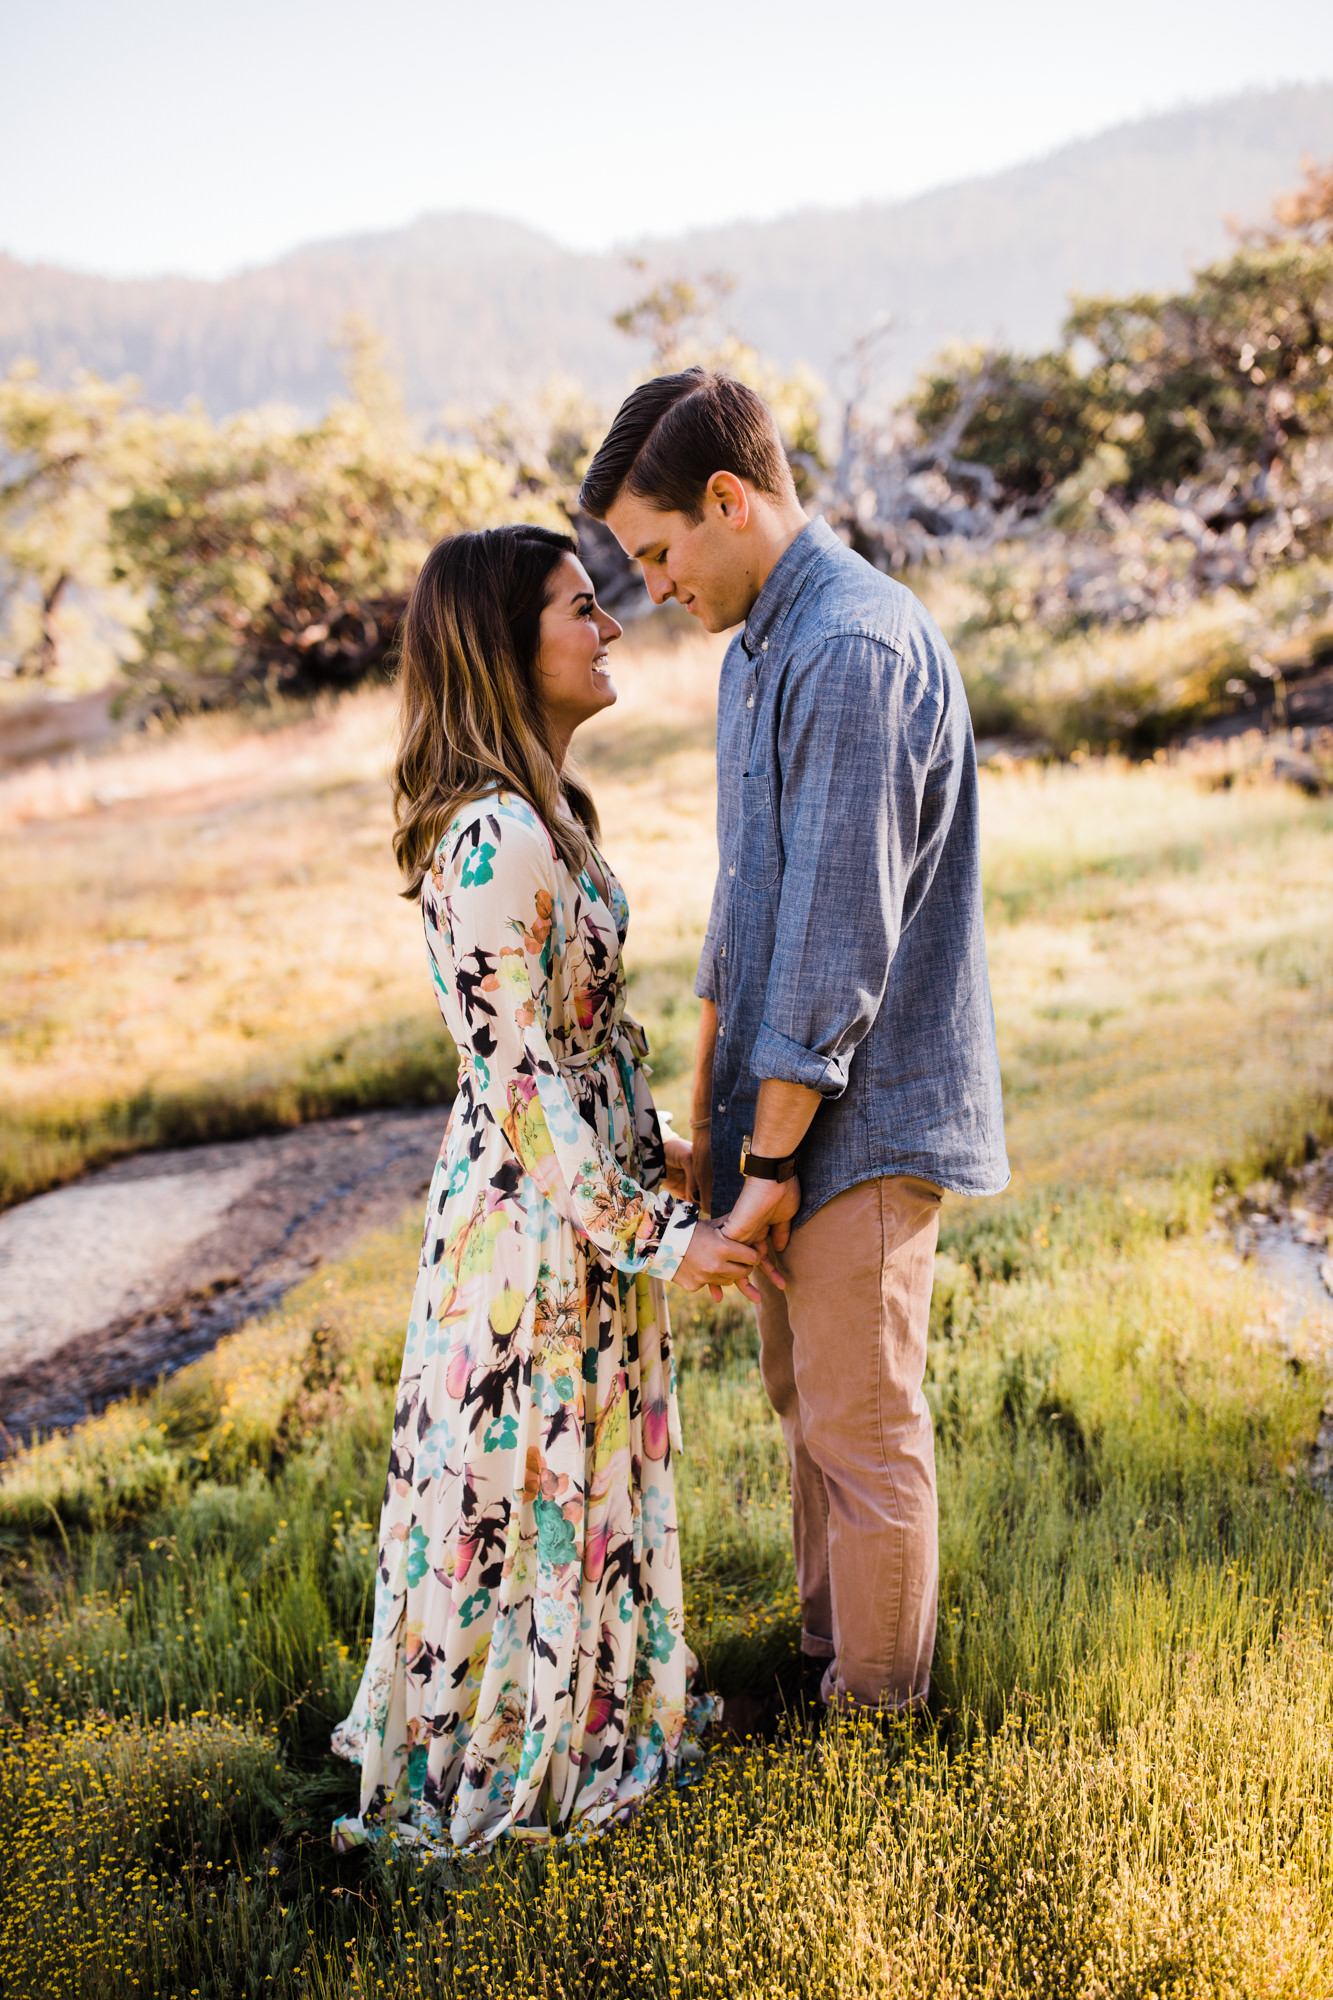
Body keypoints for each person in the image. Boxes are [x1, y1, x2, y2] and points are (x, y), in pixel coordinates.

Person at [331, 524, 773, 1853]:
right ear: (504, 646)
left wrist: (660, 1157)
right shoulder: (492, 839)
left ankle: (587, 1719)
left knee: (570, 1490)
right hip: (527, 1230)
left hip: (571, 1205)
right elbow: (522, 1085)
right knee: (524, 1486)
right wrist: (658, 1232)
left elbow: (575, 1046)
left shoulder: (547, 815)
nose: (612, 625)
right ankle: (509, 1756)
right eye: (582, 608)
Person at [580, 373, 1009, 1716]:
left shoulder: (852, 651)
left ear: (729, 500)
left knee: (863, 1431)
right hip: (771, 1129)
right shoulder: (758, 650)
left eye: (654, 552)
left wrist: (766, 1162)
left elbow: (834, 941)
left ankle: (876, 1735)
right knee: (804, 1418)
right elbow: (744, 915)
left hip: (855, 1124)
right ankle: (828, 1665)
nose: (647, 587)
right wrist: (711, 1135)